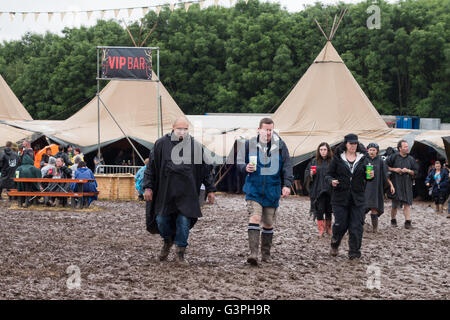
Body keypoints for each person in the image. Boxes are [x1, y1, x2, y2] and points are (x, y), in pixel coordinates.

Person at [144, 116, 216, 264]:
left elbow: (205, 170)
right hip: (165, 193)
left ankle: (180, 253)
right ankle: (168, 241)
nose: (182, 132)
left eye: (185, 129)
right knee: (161, 220)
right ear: (173, 128)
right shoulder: (161, 144)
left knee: (183, 222)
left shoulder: (195, 146)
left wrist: (210, 189)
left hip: (187, 193)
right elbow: (151, 168)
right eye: (179, 129)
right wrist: (148, 187)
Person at [237, 118, 293, 265]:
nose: (268, 132)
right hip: (254, 189)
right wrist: (245, 167)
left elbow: (287, 165)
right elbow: (239, 161)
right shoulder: (249, 144)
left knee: (268, 223)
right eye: (265, 129)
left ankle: (266, 254)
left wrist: (287, 184)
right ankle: (253, 254)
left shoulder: (280, 145)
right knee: (255, 217)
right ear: (259, 129)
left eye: (270, 130)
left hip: (272, 189)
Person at [326, 133, 372, 260]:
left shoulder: (363, 158)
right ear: (345, 144)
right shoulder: (337, 158)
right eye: (351, 143)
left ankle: (354, 252)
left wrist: (370, 175)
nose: (353, 146)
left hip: (358, 198)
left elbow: (368, 177)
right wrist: (331, 181)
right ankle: (335, 243)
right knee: (341, 224)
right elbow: (328, 175)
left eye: (355, 143)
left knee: (356, 226)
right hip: (340, 197)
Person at [386, 140, 418, 229]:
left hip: (407, 184)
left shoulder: (411, 159)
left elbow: (416, 172)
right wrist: (394, 169)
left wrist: (408, 171)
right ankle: (393, 220)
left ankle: (407, 222)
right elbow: (385, 166)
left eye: (407, 146)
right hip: (396, 183)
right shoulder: (393, 157)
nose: (407, 148)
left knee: (407, 204)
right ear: (400, 148)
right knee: (394, 204)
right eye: (405, 147)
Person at [364, 143, 395, 233]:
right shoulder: (364, 160)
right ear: (367, 150)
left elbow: (385, 175)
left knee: (374, 208)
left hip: (376, 189)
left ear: (377, 151)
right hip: (365, 188)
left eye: (374, 150)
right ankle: (361, 226)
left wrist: (390, 185)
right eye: (370, 150)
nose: (372, 152)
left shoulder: (381, 161)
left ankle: (375, 228)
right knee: (362, 209)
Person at [304, 142, 333, 237]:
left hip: (329, 190)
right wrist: (311, 174)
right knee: (319, 210)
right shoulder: (314, 161)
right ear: (318, 151)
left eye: (325, 149)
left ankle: (328, 228)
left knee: (329, 210)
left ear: (328, 150)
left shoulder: (332, 161)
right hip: (318, 190)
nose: (323, 152)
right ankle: (321, 229)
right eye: (321, 150)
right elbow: (307, 173)